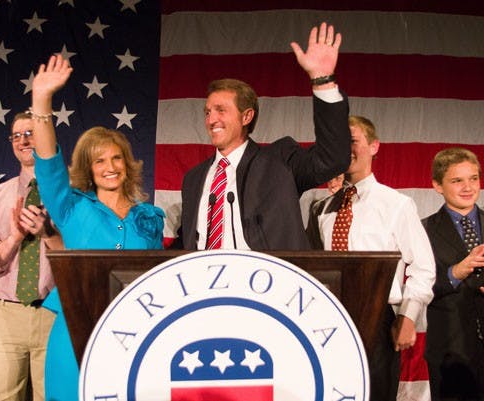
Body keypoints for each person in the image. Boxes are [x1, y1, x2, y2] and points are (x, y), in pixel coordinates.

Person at [30, 54, 165, 401]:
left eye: (116, 158)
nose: (110, 166)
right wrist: (41, 99)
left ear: (128, 163)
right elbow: (47, 163)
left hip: (135, 332)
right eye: (99, 160)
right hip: (76, 326)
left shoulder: (148, 217)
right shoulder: (71, 206)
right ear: (88, 169)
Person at [177, 22, 351, 251]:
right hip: (206, 284)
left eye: (221, 110)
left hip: (268, 283)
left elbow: (333, 159)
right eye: (207, 112)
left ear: (246, 116)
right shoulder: (194, 179)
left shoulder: (279, 162)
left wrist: (323, 81)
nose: (211, 120)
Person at [305, 115, 436, 401]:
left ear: (374, 146)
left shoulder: (397, 205)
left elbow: (424, 268)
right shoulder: (321, 209)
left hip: (377, 318)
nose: (345, 148)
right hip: (328, 318)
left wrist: (407, 317)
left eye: (353, 141)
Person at [0, 113, 63, 401]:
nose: (24, 141)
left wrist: (50, 235)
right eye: (17, 135)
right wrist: (13, 239)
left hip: (57, 314)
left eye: (31, 133)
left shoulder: (74, 194)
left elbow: (86, 256)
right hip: (3, 315)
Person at [422, 147, 484, 400]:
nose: (468, 187)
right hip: (450, 349)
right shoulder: (422, 230)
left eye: (473, 178)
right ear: (438, 185)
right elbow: (416, 289)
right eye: (457, 181)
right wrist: (455, 272)